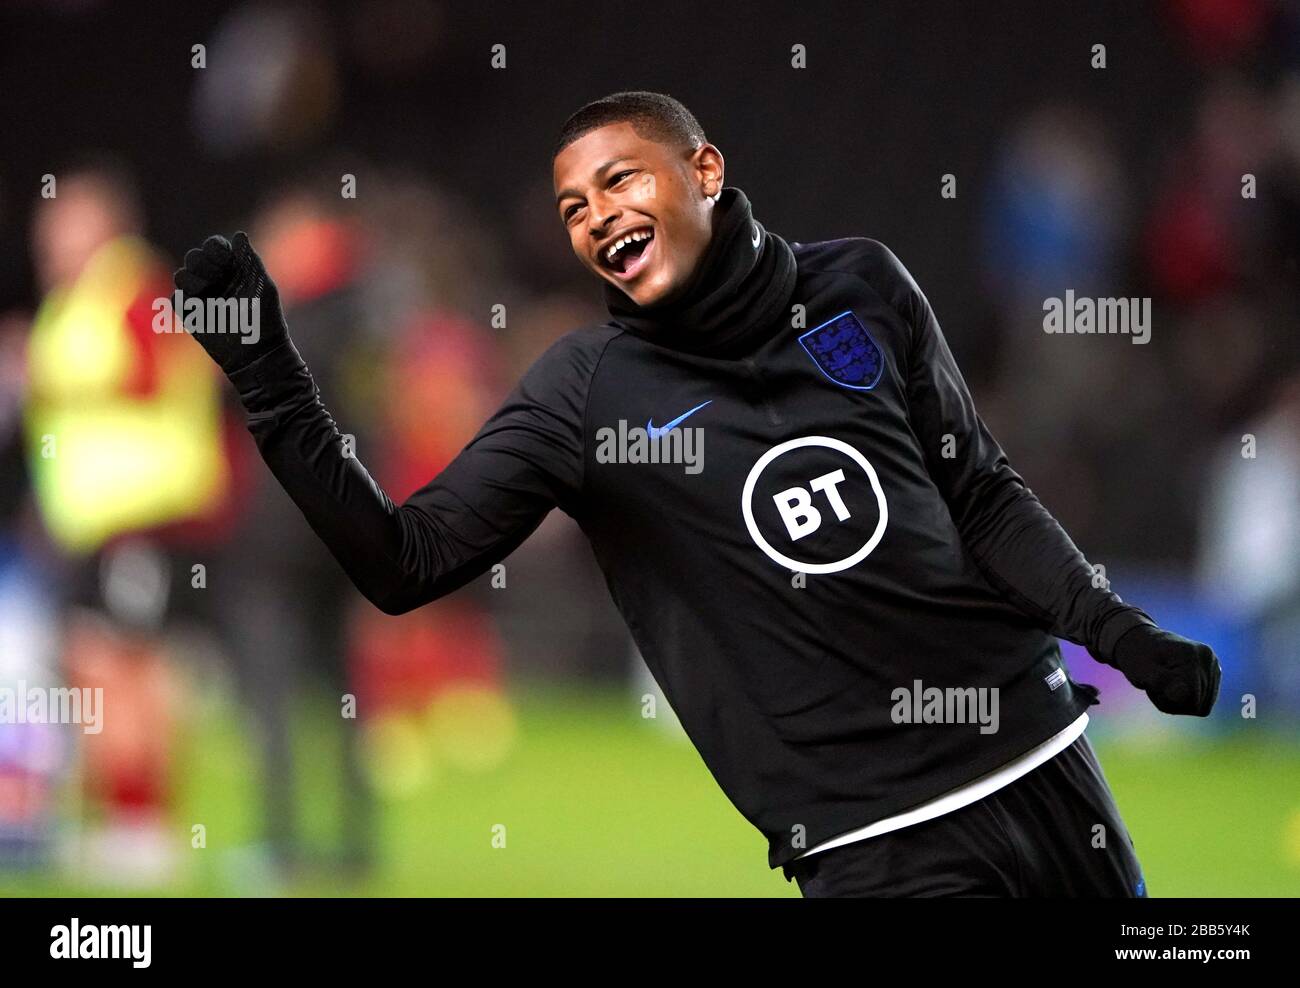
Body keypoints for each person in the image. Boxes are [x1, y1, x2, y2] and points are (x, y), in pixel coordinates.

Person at [173, 91, 1220, 897]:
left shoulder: (861, 284)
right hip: (869, 838)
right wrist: (271, 383)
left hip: (1043, 760)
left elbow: (981, 495)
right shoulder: (583, 393)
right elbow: (402, 563)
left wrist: (1119, 634)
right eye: (574, 208)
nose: (596, 219)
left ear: (703, 169)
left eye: (620, 181)